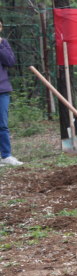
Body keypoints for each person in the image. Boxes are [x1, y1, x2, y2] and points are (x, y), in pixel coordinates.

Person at [0, 17, 21, 166]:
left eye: (0, 26)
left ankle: (6, 156)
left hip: (2, 90)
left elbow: (10, 61)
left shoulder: (3, 43)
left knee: (2, 124)